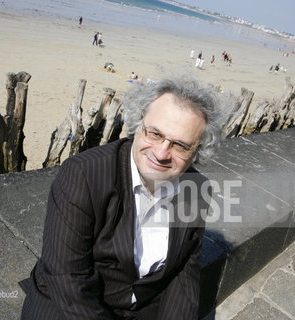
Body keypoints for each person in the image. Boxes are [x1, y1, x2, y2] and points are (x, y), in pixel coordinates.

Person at [20, 74, 224, 319]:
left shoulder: (196, 190)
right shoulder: (83, 175)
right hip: (70, 306)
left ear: (197, 153)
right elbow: (67, 278)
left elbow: (184, 276)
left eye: (180, 145)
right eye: (155, 134)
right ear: (138, 125)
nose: (161, 153)